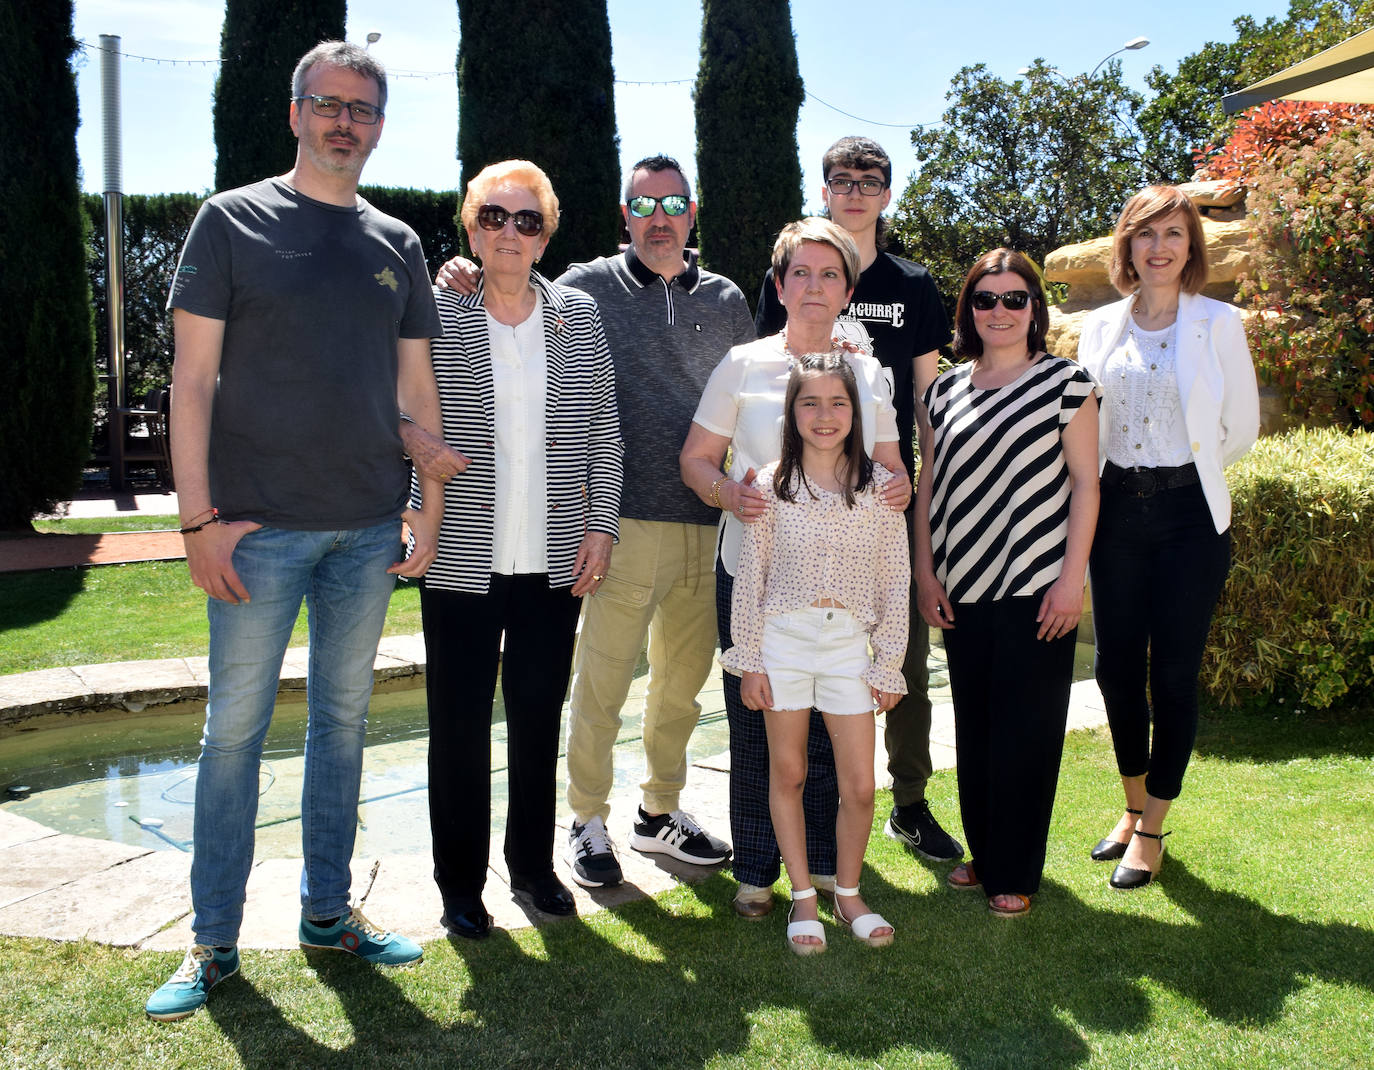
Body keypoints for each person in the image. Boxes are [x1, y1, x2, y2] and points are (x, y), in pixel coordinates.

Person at [146, 41, 444, 1021]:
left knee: (345, 729)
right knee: (232, 736)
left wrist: (424, 505)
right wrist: (196, 520)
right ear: (295, 111)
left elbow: (414, 388)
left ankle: (327, 916)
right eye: (328, 102)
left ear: (379, 125)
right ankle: (213, 942)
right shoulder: (229, 222)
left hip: (365, 530)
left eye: (362, 107)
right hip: (255, 530)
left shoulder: (396, 242)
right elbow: (189, 383)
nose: (343, 120)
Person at [432, 155, 753, 890]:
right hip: (619, 523)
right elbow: (509, 286)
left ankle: (659, 812)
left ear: (692, 212)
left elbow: (753, 392)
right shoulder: (585, 287)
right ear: (624, 216)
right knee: (601, 685)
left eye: (672, 204)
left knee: (682, 686)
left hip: (707, 521)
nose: (659, 219)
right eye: (643, 206)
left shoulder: (729, 298)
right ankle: (586, 820)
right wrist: (461, 273)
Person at [416, 160, 623, 938]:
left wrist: (601, 524)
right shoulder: (439, 309)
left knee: (537, 721)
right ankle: (460, 885)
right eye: (493, 218)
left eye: (526, 219)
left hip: (555, 561)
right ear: (471, 227)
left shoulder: (579, 317)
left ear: (547, 233)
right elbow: (406, 415)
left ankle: (532, 869)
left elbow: (605, 431)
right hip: (462, 557)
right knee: (458, 729)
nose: (509, 232)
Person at [681, 218, 910, 919]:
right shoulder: (743, 365)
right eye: (801, 274)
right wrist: (729, 493)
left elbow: (891, 471)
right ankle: (756, 870)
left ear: (847, 289)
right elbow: (695, 459)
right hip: (754, 571)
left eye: (830, 275)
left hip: (840, 584)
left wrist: (901, 485)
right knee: (757, 724)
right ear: (779, 286)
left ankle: (820, 879)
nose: (815, 287)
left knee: (825, 730)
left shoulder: (867, 374)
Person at [755, 136, 960, 864]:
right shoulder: (799, 270)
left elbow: (931, 400)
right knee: (797, 643)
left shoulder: (913, 283)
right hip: (800, 505)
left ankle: (909, 802)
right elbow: (770, 386)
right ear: (826, 189)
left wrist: (924, 490)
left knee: (897, 655)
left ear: (887, 193)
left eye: (869, 181)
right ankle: (816, 808)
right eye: (842, 180)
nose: (855, 191)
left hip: (883, 504)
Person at [1077, 186, 1259, 890]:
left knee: (1173, 676)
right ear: (1126, 246)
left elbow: (1238, 429)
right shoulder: (1099, 328)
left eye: (1173, 234)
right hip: (1116, 512)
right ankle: (1130, 805)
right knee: (1114, 670)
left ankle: (1152, 828)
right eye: (1145, 234)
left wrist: (1185, 470)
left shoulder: (1220, 323)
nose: (1159, 247)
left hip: (1189, 517)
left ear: (1191, 247)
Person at [915, 249, 1100, 919]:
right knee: (977, 728)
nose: (999, 310)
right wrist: (924, 570)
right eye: (985, 299)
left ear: (1034, 307)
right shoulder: (941, 390)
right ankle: (985, 852)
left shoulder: (1066, 382)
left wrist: (1070, 580)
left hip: (1036, 587)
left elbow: (1085, 484)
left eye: (1014, 298)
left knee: (1027, 733)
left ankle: (1015, 870)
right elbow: (928, 484)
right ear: (968, 310)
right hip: (961, 583)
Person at [722, 353, 908, 954]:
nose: (824, 416)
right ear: (791, 411)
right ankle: (803, 896)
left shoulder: (881, 490)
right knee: (791, 772)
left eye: (838, 403)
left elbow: (894, 581)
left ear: (856, 413)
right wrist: (750, 658)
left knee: (858, 785)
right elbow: (751, 577)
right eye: (810, 402)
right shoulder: (769, 485)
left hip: (850, 649)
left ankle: (847, 891)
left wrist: (889, 662)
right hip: (784, 645)